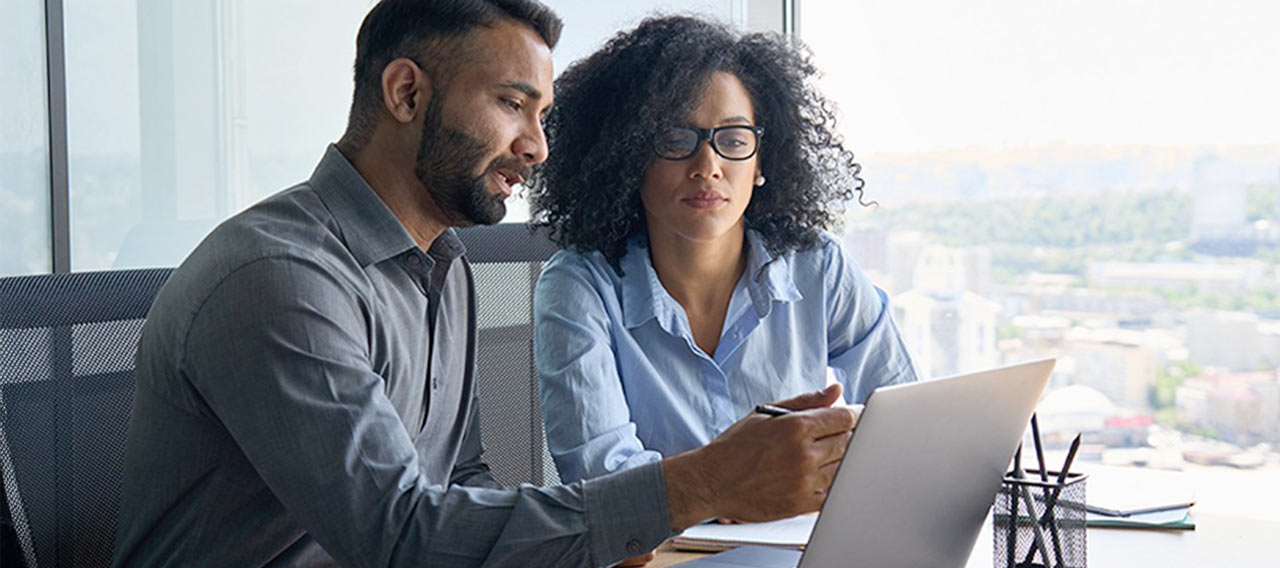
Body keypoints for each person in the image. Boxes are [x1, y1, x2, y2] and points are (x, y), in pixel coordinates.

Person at [112, 2, 859, 567]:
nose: (535, 147)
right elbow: (398, 536)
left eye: (542, 116)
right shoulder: (280, 279)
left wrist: (612, 535)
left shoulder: (444, 266)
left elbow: (460, 482)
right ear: (406, 94)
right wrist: (699, 485)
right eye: (512, 105)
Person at [531, 16, 917, 489]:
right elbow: (604, 483)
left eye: (733, 140)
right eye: (676, 139)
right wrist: (734, 486)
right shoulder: (578, 287)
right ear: (630, 156)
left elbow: (905, 419)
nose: (708, 166)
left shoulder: (819, 266)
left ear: (760, 163)